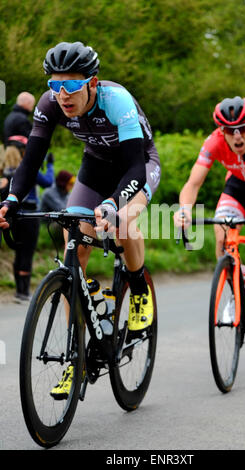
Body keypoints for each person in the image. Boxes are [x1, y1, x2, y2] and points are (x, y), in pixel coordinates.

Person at [0, 41, 160, 398]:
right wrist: (12, 199)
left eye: (71, 85)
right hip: (95, 167)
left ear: (92, 82)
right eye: (54, 85)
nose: (62, 95)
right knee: (75, 244)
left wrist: (113, 204)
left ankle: (138, 291)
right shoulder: (49, 104)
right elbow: (31, 161)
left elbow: (135, 163)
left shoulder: (116, 100)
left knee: (122, 221)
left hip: (137, 164)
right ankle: (77, 357)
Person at [174, 96, 245, 338]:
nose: (237, 136)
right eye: (230, 130)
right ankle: (236, 293)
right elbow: (193, 184)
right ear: (221, 130)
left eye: (243, 129)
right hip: (237, 188)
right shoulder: (214, 142)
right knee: (222, 236)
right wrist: (184, 209)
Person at [0, 135, 54, 302]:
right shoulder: (28, 169)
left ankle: (19, 290)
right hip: (30, 214)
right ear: (23, 151)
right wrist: (50, 165)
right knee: (27, 251)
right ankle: (24, 292)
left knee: (17, 249)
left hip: (13, 214)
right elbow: (48, 182)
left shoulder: (4, 171)